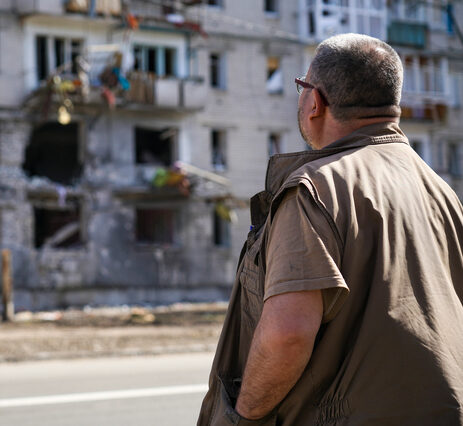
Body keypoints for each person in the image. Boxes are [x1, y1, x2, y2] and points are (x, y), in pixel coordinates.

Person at [197, 33, 463, 425]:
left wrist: (242, 418)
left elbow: (288, 334)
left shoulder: (314, 190)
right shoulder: (440, 191)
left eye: (301, 86)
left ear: (315, 102)